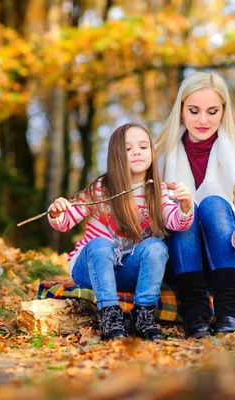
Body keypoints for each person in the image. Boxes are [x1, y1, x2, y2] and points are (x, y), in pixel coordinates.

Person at [48, 123, 194, 341]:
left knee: (156, 247)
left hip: (128, 271)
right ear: (116, 156)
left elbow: (177, 223)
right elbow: (65, 221)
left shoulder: (159, 191)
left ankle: (143, 315)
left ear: (151, 153)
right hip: (91, 268)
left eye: (143, 147)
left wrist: (185, 206)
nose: (136, 151)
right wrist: (56, 212)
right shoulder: (101, 189)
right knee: (99, 245)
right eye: (128, 149)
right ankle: (110, 315)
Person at [155, 71, 235, 339]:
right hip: (182, 263)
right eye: (194, 111)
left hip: (228, 258)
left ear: (223, 112)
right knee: (185, 210)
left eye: (212, 111)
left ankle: (230, 310)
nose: (203, 120)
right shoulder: (160, 154)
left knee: (213, 204)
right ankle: (195, 314)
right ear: (181, 111)